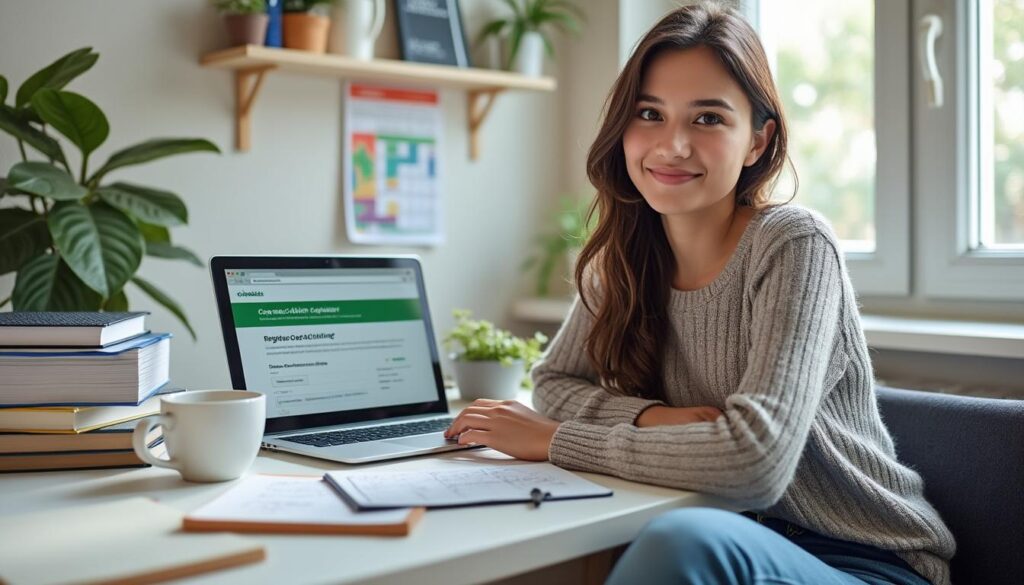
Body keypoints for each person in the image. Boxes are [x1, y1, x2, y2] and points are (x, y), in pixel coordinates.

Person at [444, 3, 955, 584]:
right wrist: (657, 420)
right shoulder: (625, 259)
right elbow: (554, 385)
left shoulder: (793, 245)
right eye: (649, 113)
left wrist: (558, 441)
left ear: (758, 142)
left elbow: (754, 463)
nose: (674, 145)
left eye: (708, 119)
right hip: (728, 534)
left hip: (863, 561)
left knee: (678, 544)